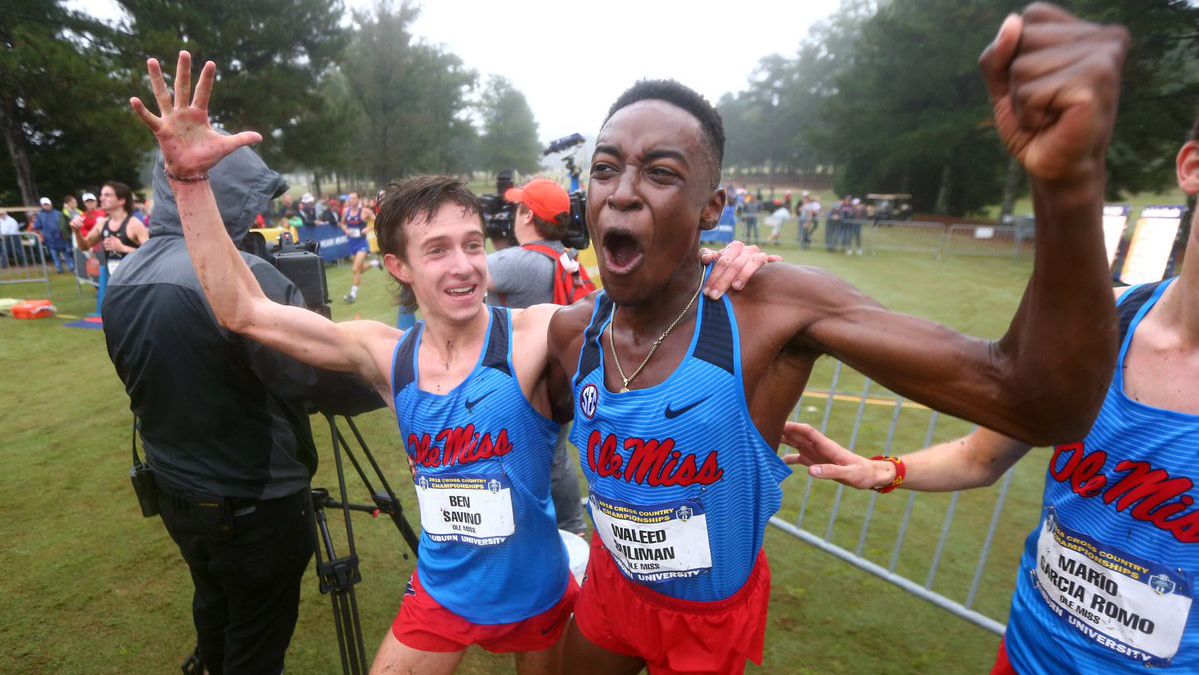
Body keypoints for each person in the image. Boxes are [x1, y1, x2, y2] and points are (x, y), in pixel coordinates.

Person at [126, 51, 767, 675]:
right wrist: (189, 183)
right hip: (440, 596)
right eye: (437, 250)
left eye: (470, 245)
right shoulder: (386, 352)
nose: (463, 266)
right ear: (399, 268)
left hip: (540, 598)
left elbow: (646, 305)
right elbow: (244, 310)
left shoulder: (537, 333)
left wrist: (727, 263)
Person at [543, 6, 1128, 673]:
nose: (620, 194)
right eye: (605, 168)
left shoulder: (772, 308)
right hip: (611, 591)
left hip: (707, 619)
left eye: (660, 172)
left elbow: (1038, 402)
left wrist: (1066, 182)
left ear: (713, 206)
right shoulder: (568, 331)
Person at [779, 111, 1199, 675]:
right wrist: (884, 470)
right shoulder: (1109, 322)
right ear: (1191, 167)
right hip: (1026, 653)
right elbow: (982, 456)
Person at [102, 140, 383, 673]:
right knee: (256, 640)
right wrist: (392, 374)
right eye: (251, 202)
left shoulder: (126, 274)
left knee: (214, 601)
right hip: (254, 498)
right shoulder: (238, 279)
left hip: (176, 486)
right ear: (222, 195)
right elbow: (322, 377)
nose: (257, 216)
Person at [486, 177, 592, 537]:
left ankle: (534, 530)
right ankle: (572, 527)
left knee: (515, 459)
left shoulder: (517, 262)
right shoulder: (568, 258)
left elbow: (459, 275)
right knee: (555, 457)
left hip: (519, 382)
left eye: (517, 208)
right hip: (560, 379)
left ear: (527, 215)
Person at [73, 182, 149, 276]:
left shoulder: (134, 224)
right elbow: (84, 246)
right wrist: (77, 231)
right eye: (101, 195)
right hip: (115, 282)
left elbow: (150, 254)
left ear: (121, 200)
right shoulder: (102, 224)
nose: (101, 198)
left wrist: (123, 248)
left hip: (138, 281)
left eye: (107, 195)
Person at [341, 191, 375, 304]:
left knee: (355, 269)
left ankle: (352, 295)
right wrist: (345, 229)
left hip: (362, 244)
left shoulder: (365, 211)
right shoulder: (346, 211)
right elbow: (342, 223)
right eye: (350, 198)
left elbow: (377, 221)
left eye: (354, 198)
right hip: (352, 244)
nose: (351, 200)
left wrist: (368, 229)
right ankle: (374, 263)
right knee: (360, 270)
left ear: (358, 199)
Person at [34, 197, 74, 273]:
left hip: (61, 238)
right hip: (50, 239)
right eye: (44, 205)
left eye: (47, 204)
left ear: (51, 204)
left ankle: (71, 267)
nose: (46, 206)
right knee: (55, 255)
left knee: (67, 253)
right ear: (42, 206)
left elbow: (64, 225)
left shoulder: (58, 213)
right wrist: (41, 236)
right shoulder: (40, 216)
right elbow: (37, 227)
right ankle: (59, 268)